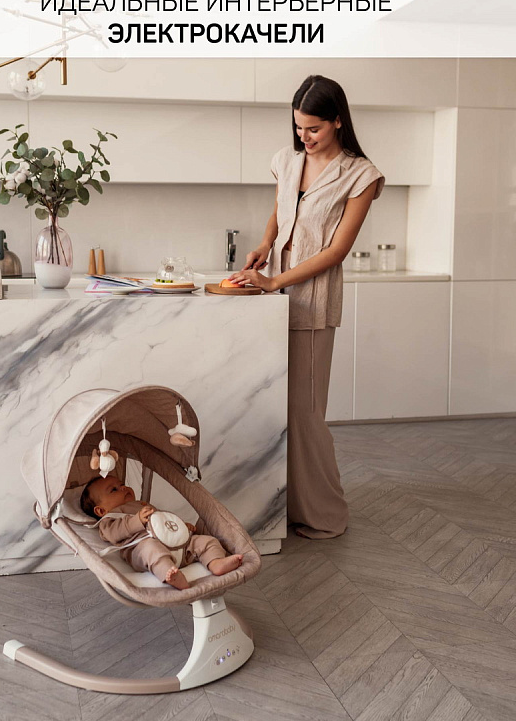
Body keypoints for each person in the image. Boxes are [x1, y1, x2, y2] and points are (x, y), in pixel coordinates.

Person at [230, 74, 385, 540]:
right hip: (273, 302)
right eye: (299, 127)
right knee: (278, 410)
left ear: (337, 121)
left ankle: (325, 515)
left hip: (312, 305)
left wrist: (276, 280)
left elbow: (337, 250)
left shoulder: (361, 175)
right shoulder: (287, 160)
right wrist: (265, 245)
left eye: (313, 128)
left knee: (306, 414)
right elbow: (281, 210)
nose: (305, 136)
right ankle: (288, 508)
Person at [80, 474, 243, 589]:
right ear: (101, 510)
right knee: (151, 549)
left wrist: (181, 527)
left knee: (205, 541)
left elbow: (163, 521)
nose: (123, 488)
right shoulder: (108, 520)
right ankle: (170, 575)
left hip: (178, 545)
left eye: (122, 484)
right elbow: (114, 534)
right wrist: (137, 521)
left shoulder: (141, 504)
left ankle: (215, 563)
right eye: (114, 490)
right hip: (143, 547)